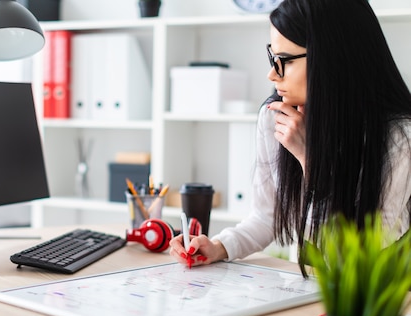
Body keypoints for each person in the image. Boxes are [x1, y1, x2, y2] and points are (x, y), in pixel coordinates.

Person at [169, 0, 411, 275]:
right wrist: (219, 246)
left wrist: (310, 160)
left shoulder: (399, 138)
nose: (272, 74)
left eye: (284, 61)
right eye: (272, 57)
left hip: (380, 295)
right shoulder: (275, 117)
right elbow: (266, 216)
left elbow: (354, 255)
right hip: (309, 284)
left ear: (332, 58)